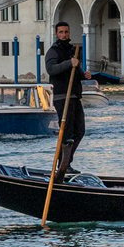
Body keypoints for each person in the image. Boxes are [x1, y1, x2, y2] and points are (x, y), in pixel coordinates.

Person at [44, 21, 87, 179]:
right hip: (63, 97)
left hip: (75, 96)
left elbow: (75, 71)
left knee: (80, 130)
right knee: (67, 133)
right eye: (61, 32)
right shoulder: (53, 51)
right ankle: (63, 165)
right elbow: (51, 69)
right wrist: (69, 63)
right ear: (57, 34)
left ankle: (66, 162)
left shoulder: (72, 50)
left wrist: (84, 75)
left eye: (66, 32)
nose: (64, 35)